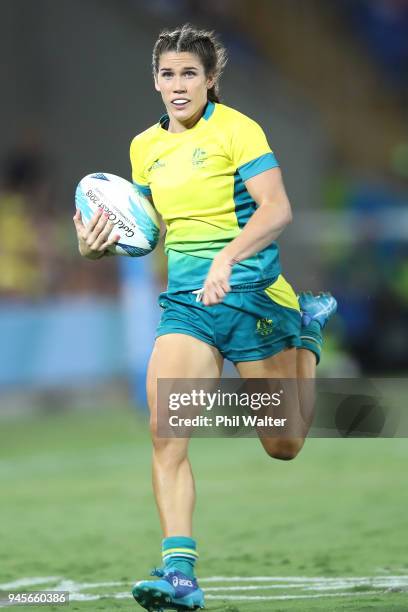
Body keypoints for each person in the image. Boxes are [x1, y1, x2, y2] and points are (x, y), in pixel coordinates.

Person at [73, 24, 337, 612]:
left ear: (211, 78)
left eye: (189, 73)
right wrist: (97, 246)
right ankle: (180, 577)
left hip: (252, 297)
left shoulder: (238, 130)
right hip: (189, 305)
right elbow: (146, 230)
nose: (177, 84)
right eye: (167, 74)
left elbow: (278, 209)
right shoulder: (146, 146)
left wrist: (227, 256)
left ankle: (309, 331)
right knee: (166, 432)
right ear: (155, 81)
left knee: (285, 444)